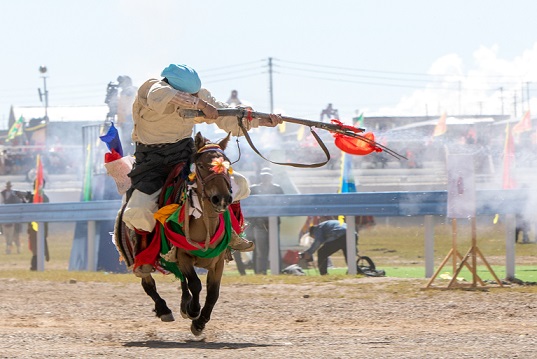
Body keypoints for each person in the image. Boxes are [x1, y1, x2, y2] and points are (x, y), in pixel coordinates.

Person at [123, 64, 282, 277]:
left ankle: (232, 234)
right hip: (151, 163)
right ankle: (145, 254)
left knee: (238, 184)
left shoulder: (200, 96)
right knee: (139, 211)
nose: (195, 97)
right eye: (191, 94)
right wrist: (200, 103)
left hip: (186, 155)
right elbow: (170, 96)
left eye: (196, 93)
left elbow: (225, 116)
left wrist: (260, 121)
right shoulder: (152, 89)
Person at [248, 167, 284, 274]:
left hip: (273, 222)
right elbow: (249, 206)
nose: (266, 178)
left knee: (275, 249)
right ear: (261, 177)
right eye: (264, 176)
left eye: (267, 176)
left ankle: (278, 270)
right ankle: (260, 271)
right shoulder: (254, 189)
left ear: (271, 177)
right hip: (259, 223)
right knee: (260, 251)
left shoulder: (277, 188)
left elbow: (283, 203)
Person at [27, 180, 50, 270]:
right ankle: (35, 264)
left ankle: (36, 265)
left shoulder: (42, 198)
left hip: (38, 225)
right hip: (34, 225)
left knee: (37, 247)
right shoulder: (34, 198)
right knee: (35, 246)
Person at [0, 181, 24, 254]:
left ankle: (16, 249)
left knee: (15, 236)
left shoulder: (14, 195)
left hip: (13, 218)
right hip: (5, 217)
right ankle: (9, 249)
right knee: (7, 237)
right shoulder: (2, 194)